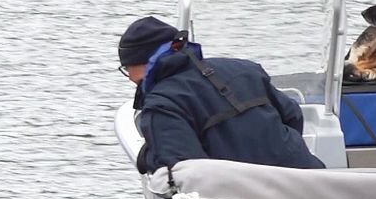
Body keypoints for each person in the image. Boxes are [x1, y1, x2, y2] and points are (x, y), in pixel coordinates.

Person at [118, 16, 325, 173]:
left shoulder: (161, 104)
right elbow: (293, 115)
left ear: (144, 62)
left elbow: (186, 170)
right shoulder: (246, 69)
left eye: (127, 68)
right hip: (309, 180)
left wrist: (148, 156)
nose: (128, 76)